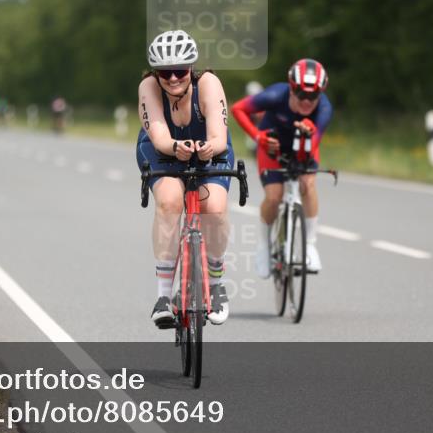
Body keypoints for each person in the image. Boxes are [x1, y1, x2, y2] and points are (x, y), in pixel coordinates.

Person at [137, 30, 233, 328]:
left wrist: (207, 149)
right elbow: (161, 136)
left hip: (209, 148)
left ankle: (216, 285)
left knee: (214, 207)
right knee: (169, 201)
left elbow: (218, 135)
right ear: (156, 72)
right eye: (166, 72)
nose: (174, 77)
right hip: (161, 149)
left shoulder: (208, 84)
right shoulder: (149, 87)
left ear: (191, 68)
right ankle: (164, 296)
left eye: (181, 70)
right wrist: (175, 148)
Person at [231, 59, 333, 277]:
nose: (307, 101)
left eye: (313, 96)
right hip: (271, 148)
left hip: (304, 146)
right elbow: (238, 109)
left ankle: (310, 246)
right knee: (274, 196)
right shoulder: (275, 95)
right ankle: (264, 247)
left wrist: (308, 133)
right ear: (291, 88)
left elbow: (313, 146)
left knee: (307, 183)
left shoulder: (324, 108)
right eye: (301, 94)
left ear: (320, 94)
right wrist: (258, 136)